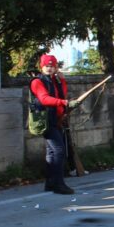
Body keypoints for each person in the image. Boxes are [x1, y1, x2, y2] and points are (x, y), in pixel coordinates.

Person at [30, 54, 76, 194]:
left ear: (56, 67)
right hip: (44, 120)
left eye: (52, 66)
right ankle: (58, 184)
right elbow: (44, 99)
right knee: (59, 150)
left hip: (55, 119)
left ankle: (50, 183)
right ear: (42, 67)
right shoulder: (37, 81)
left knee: (52, 152)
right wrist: (64, 103)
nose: (49, 68)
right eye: (47, 66)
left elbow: (62, 94)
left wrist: (62, 81)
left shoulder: (54, 81)